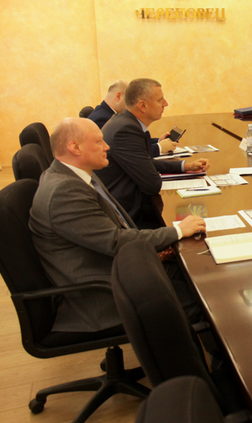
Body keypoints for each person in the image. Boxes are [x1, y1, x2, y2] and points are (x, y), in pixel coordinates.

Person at [29, 117, 206, 334]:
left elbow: (111, 232)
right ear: (75, 147)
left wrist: (154, 250)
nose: (107, 147)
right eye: (99, 142)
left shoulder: (75, 175)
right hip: (103, 294)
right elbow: (115, 241)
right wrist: (178, 230)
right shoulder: (64, 192)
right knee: (204, 299)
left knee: (200, 272)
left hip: (116, 267)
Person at [96, 78, 210, 229]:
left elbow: (145, 162)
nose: (166, 104)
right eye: (160, 100)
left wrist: (185, 166)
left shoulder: (126, 123)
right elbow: (152, 185)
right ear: (142, 106)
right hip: (129, 217)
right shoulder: (126, 131)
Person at [89, 80, 175, 156]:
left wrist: (158, 141)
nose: (133, 103)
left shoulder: (111, 116)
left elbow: (133, 143)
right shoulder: (103, 119)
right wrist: (159, 147)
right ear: (119, 96)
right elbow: (129, 150)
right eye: (129, 98)